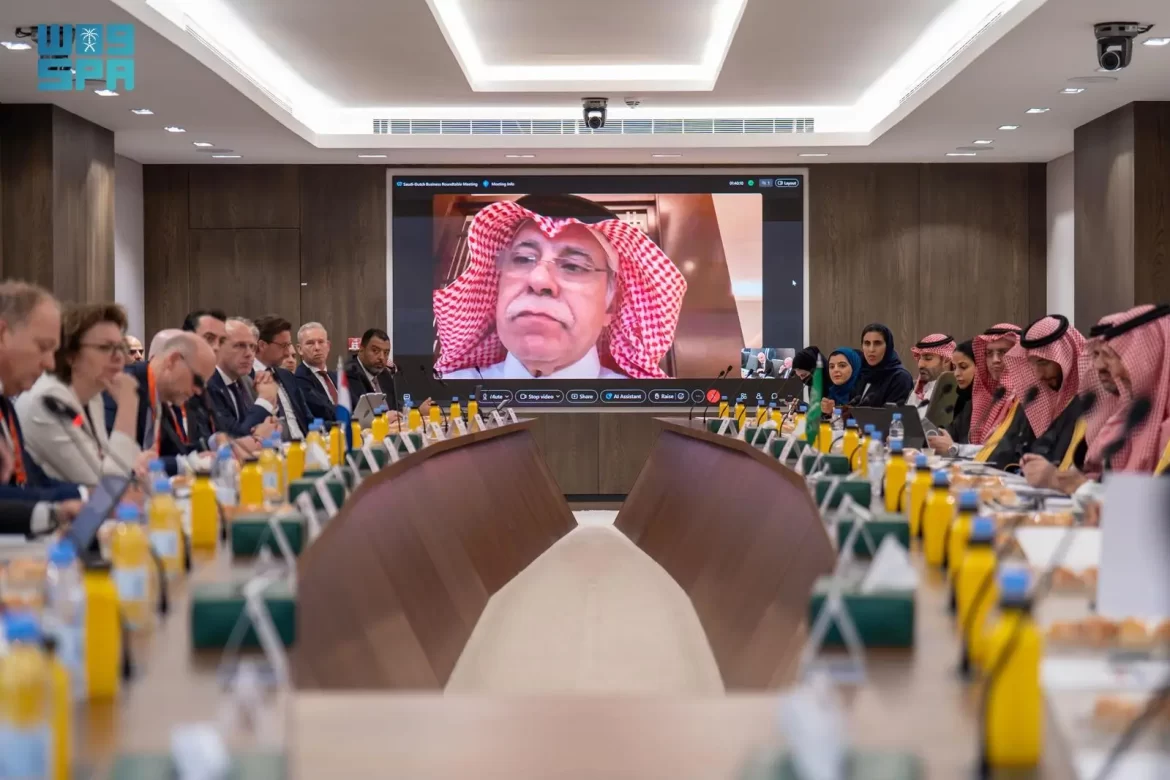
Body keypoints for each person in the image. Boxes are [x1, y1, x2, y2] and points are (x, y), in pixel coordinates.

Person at [434, 195, 687, 380]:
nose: (539, 280)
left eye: (573, 266)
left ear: (611, 305)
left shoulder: (647, 408)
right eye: (522, 259)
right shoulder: (443, 397)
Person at [17, 303, 149, 485]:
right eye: (105, 347)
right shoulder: (47, 402)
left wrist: (135, 463)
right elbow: (106, 487)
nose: (119, 357)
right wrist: (128, 406)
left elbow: (106, 462)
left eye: (120, 347)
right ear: (71, 356)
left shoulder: (92, 396)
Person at [0, 281, 86, 509]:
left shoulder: (6, 404)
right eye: (43, 347)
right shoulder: (45, 398)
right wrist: (53, 512)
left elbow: (31, 483)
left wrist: (89, 495)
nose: (50, 364)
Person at [105, 331, 217, 475]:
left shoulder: (161, 393)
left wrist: (208, 449)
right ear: (173, 361)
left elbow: (172, 451)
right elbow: (113, 461)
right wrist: (183, 463)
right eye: (198, 381)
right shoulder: (121, 386)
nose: (199, 391)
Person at [1084, 304, 1170, 473]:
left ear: (1153, 359)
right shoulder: (1128, 419)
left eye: (1117, 357)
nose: (1114, 372)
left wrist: (1075, 484)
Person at [929, 324, 1028, 468]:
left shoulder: (1027, 400)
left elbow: (1007, 452)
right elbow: (952, 432)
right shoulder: (984, 397)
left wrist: (955, 449)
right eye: (989, 353)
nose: (995, 359)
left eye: (1003, 352)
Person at [1008, 316, 1087, 484]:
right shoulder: (1041, 399)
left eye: (1043, 363)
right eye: (1033, 364)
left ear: (1066, 356)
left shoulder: (1090, 403)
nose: (1038, 375)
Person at [206, 318, 279, 440]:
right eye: (240, 346)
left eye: (252, 347)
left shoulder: (246, 381)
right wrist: (265, 400)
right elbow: (233, 437)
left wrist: (271, 422)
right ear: (218, 347)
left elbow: (255, 426)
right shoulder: (208, 384)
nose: (249, 354)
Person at [253, 315, 312, 440]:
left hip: (304, 444)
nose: (287, 352)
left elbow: (307, 418)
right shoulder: (246, 380)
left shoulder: (287, 376)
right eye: (283, 345)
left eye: (289, 345)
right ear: (262, 345)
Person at [852, 324, 914, 407]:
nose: (871, 349)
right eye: (867, 343)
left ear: (888, 346)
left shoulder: (900, 377)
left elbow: (892, 413)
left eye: (877, 343)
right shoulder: (862, 372)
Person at [294, 322, 338, 423]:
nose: (317, 348)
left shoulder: (336, 377)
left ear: (328, 346)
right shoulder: (299, 380)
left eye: (321, 342)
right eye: (310, 343)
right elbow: (323, 412)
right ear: (300, 349)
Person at [907, 334, 956, 415]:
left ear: (946, 360)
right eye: (919, 358)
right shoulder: (918, 389)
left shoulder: (955, 391)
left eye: (928, 358)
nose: (920, 365)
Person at [344, 328, 397, 400]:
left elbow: (394, 404)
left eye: (386, 353)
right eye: (375, 350)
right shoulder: (349, 376)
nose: (382, 357)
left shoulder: (385, 375)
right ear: (361, 348)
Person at [947, 340, 976, 443]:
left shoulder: (991, 400)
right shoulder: (964, 399)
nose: (956, 373)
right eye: (954, 367)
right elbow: (952, 433)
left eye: (963, 367)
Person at [820, 348, 861, 416]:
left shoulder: (862, 394)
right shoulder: (831, 394)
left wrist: (834, 411)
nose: (835, 370)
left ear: (854, 367)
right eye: (832, 366)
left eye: (842, 365)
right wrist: (827, 412)